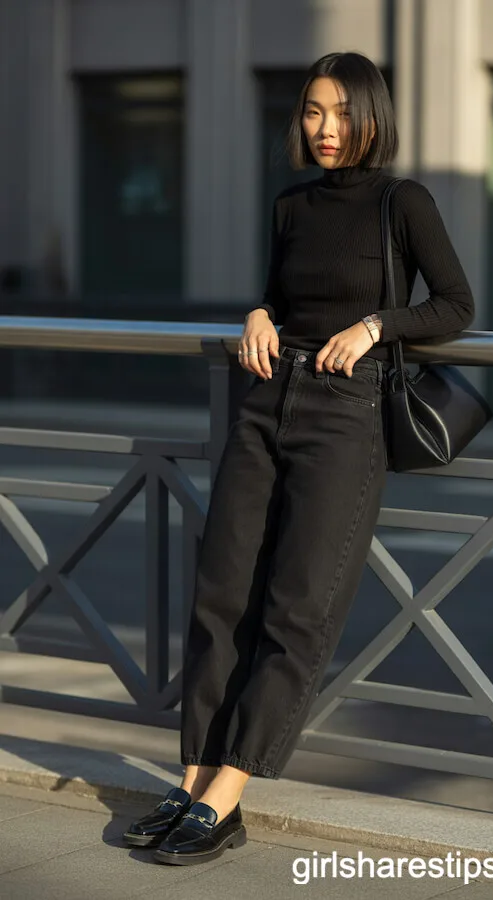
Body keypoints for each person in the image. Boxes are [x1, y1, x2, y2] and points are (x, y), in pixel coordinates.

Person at [123, 50, 474, 865]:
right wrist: (255, 311)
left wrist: (378, 326)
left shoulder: (403, 201)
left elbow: (455, 303)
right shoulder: (291, 207)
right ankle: (189, 780)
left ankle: (226, 795)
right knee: (221, 595)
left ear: (372, 117)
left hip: (345, 417)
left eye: (341, 113)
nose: (325, 129)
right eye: (313, 112)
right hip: (261, 402)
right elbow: (284, 299)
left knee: (295, 608)